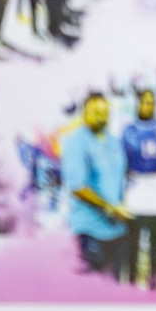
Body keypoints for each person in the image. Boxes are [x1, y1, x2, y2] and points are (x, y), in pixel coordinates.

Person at [61, 92, 132, 280]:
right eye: (94, 111)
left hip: (118, 230)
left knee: (116, 296)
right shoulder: (75, 142)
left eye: (104, 111)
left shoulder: (114, 142)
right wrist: (109, 207)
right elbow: (77, 187)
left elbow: (123, 179)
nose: (100, 115)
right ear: (84, 113)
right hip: (90, 231)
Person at [121, 88, 156, 290]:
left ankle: (154, 279)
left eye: (151, 102)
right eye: (144, 102)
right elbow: (123, 162)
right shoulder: (129, 131)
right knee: (133, 241)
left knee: (155, 242)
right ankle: (133, 280)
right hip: (136, 194)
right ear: (138, 104)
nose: (148, 106)